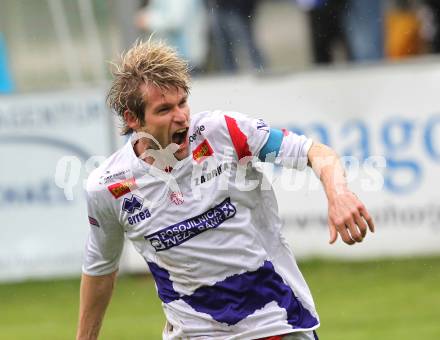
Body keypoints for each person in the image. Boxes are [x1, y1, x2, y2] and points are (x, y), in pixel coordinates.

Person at [76, 40, 375, 339]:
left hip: (273, 320)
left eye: (182, 102)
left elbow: (315, 152)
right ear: (132, 119)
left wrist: (338, 194)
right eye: (164, 109)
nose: (181, 117)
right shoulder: (110, 187)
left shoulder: (225, 133)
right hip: (193, 332)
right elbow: (101, 270)